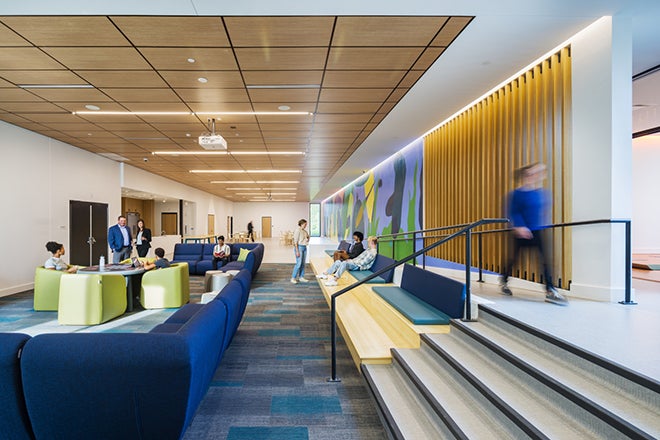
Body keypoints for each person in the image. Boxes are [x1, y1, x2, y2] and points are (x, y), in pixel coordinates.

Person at [500, 163, 567, 305]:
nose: (536, 176)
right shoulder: (516, 194)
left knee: (545, 260)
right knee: (514, 259)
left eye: (539, 173)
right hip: (521, 232)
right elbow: (513, 212)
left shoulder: (542, 194)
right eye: (532, 173)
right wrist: (519, 226)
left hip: (539, 231)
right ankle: (504, 281)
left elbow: (541, 213)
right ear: (525, 176)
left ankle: (550, 290)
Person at [290, 218, 309, 284]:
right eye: (305, 224)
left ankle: (301, 277)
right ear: (301, 224)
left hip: (304, 248)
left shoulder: (304, 231)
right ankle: (293, 278)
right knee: (299, 263)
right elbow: (295, 242)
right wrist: (297, 251)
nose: (306, 225)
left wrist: (308, 238)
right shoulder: (297, 230)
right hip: (299, 248)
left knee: (303, 264)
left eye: (306, 224)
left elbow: (307, 238)